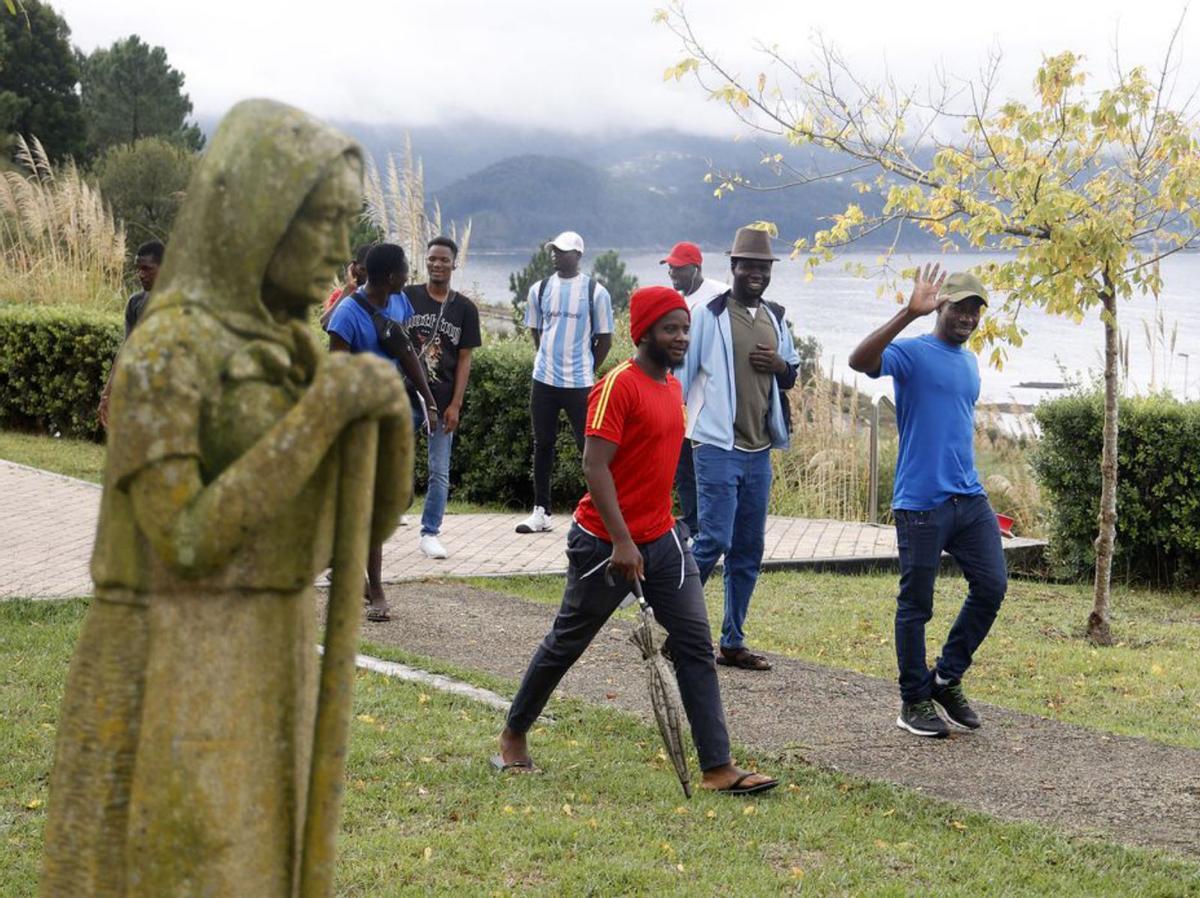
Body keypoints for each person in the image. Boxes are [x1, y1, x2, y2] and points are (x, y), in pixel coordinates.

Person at [40, 100, 412, 897]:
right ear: (256, 215)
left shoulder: (294, 348)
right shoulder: (169, 351)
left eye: (348, 225)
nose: (342, 251)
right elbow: (185, 537)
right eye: (321, 222)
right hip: (171, 660)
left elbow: (359, 529)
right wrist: (318, 419)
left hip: (265, 649)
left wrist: (386, 420)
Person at [495, 285, 778, 796]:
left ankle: (718, 767)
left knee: (694, 642)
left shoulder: (672, 386)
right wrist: (623, 543)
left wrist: (664, 530)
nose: (680, 337)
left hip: (663, 540)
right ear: (643, 332)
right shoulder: (617, 386)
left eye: (685, 329)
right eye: (670, 328)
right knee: (567, 642)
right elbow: (593, 465)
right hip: (604, 543)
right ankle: (513, 737)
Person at [848, 265, 1007, 738]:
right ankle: (913, 699)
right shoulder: (912, 353)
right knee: (917, 604)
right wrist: (906, 313)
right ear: (940, 305)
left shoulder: (971, 361)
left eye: (975, 309)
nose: (967, 317)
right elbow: (859, 361)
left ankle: (945, 678)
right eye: (959, 306)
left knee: (992, 585)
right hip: (921, 502)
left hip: (969, 497)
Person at [677, 226, 800, 672]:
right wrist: (671, 438)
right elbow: (679, 379)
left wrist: (779, 364)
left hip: (758, 449)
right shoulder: (707, 315)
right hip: (714, 446)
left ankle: (732, 642)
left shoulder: (776, 316)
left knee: (748, 548)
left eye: (763, 267)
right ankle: (675, 629)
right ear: (732, 267)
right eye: (747, 265)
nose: (755, 273)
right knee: (713, 539)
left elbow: (792, 375)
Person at [327, 242, 438, 621]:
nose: (410, 275)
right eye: (406, 269)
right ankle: (375, 589)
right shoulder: (346, 316)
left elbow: (405, 351)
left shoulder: (398, 302)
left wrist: (429, 400)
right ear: (390, 276)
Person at [516, 230, 614, 534]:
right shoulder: (540, 288)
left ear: (578, 255)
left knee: (589, 449)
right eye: (554, 250)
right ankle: (541, 512)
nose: (556, 255)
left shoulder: (596, 292)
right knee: (542, 443)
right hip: (543, 380)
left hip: (580, 383)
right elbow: (536, 330)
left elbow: (605, 339)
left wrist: (587, 367)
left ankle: (597, 512)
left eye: (563, 251)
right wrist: (546, 358)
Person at [403, 236, 482, 558]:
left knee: (439, 471)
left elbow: (464, 358)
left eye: (444, 260)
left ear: (454, 264)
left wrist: (456, 404)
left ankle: (430, 532)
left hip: (441, 401)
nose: (437, 264)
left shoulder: (464, 309)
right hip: (405, 397)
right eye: (432, 259)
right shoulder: (406, 297)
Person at [660, 240, 727, 537]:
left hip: (706, 399)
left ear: (695, 268)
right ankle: (692, 522)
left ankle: (709, 525)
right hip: (676, 394)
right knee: (682, 465)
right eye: (670, 268)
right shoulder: (676, 300)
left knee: (704, 465)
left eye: (678, 268)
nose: (672, 274)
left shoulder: (719, 296)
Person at [96, 240, 165, 429]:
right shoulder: (136, 304)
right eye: (138, 269)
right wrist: (107, 395)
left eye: (147, 269)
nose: (140, 275)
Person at [319, 241, 375, 330]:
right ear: (354, 268)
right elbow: (326, 324)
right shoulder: (341, 295)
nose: (367, 275)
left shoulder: (385, 295)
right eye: (363, 269)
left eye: (372, 270)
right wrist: (348, 290)